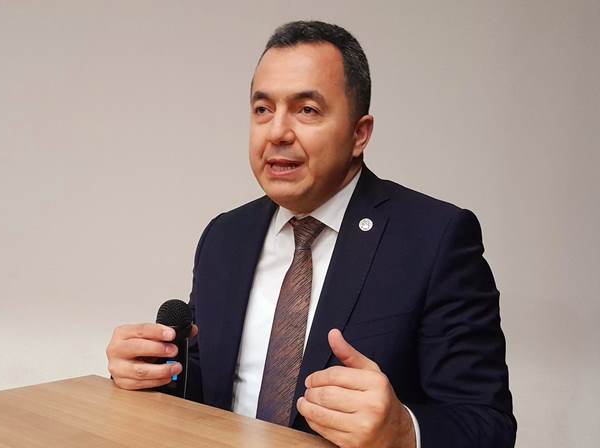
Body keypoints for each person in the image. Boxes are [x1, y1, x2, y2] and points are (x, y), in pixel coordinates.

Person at [106, 21, 516, 447]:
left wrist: (403, 430)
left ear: (359, 134)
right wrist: (151, 372)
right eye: (263, 109)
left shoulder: (435, 239)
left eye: (307, 110)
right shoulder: (225, 237)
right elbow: (206, 388)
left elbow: (489, 425)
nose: (277, 132)